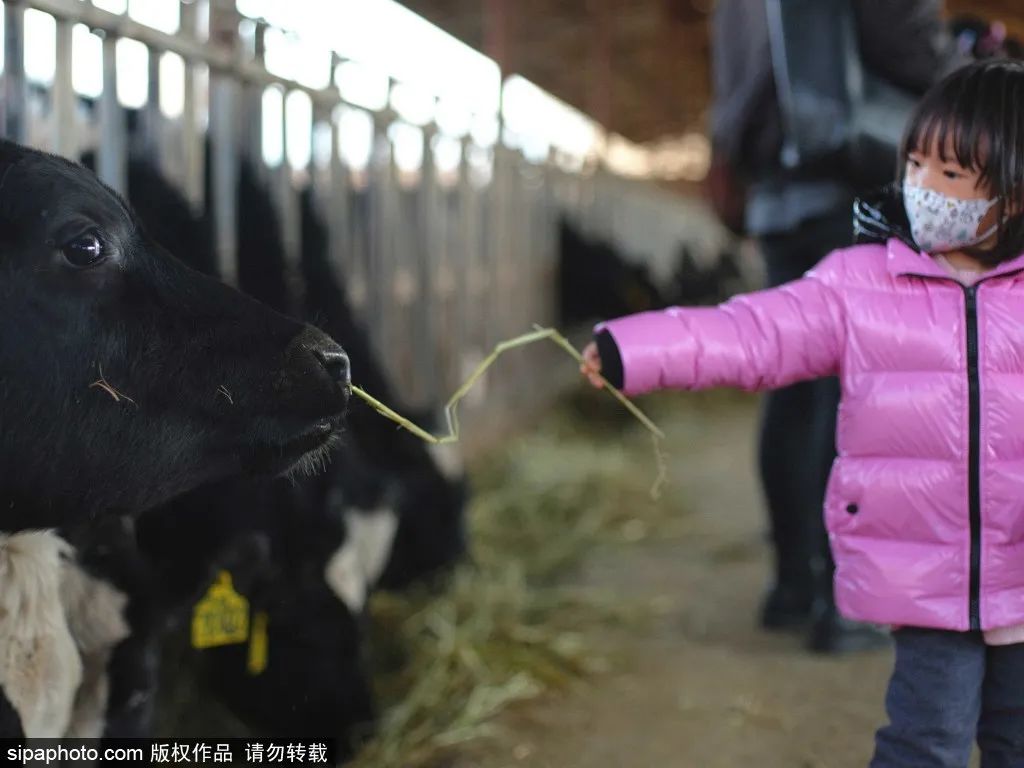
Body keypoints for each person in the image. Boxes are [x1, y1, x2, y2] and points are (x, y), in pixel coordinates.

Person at [583, 59, 1024, 765]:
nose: (923, 188)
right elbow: (752, 332)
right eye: (915, 164)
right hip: (929, 579)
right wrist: (634, 349)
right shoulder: (861, 282)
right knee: (928, 740)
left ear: (1012, 191)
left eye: (951, 174)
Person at [709, 0, 966, 652]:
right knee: (854, 388)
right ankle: (845, 600)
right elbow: (901, 39)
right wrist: (965, 67)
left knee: (794, 388)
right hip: (850, 176)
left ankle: (794, 585)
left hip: (776, 194)